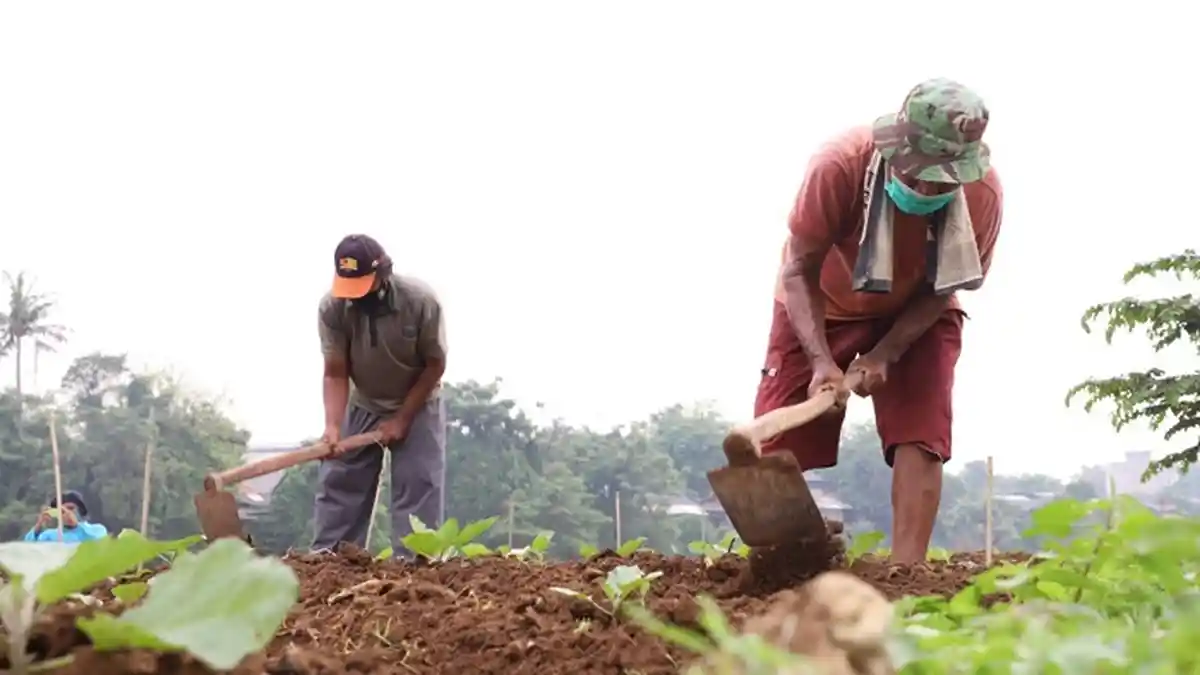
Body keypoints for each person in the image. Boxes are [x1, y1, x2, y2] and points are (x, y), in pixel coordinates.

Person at [756, 78, 1003, 564]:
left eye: (943, 178)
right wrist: (822, 363)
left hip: (919, 309)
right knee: (777, 443)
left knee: (922, 429)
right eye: (918, 174)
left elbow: (945, 286)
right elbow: (799, 269)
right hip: (821, 298)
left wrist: (886, 353)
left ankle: (905, 573)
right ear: (896, 148)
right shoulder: (839, 167)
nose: (928, 188)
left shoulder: (983, 196)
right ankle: (788, 559)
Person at [313, 234, 448, 556]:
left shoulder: (420, 302)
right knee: (341, 481)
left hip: (418, 402)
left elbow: (435, 365)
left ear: (382, 274)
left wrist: (402, 418)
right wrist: (333, 427)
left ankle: (416, 565)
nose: (356, 297)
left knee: (418, 485)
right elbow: (335, 371)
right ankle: (329, 561)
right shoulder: (333, 308)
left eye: (362, 285)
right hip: (364, 402)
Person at [23, 490, 108, 543]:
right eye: (62, 510)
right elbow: (31, 551)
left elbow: (98, 543)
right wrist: (39, 525)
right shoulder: (49, 536)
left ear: (80, 509)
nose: (67, 513)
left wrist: (76, 525)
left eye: (71, 508)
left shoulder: (97, 530)